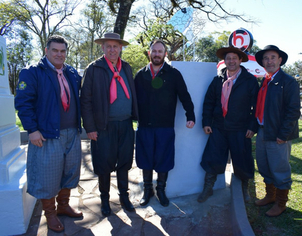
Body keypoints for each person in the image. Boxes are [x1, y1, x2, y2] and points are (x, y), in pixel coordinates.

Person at [15, 35, 83, 232]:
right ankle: (50, 215)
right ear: (46, 51)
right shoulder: (32, 72)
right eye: (55, 50)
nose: (59, 54)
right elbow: (23, 103)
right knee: (48, 177)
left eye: (62, 51)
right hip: (46, 135)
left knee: (69, 173)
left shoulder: (70, 72)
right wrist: (32, 130)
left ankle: (63, 206)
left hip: (72, 133)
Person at [80, 33, 138, 216]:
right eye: (108, 46)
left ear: (121, 48)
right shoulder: (94, 69)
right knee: (104, 164)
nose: (112, 50)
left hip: (126, 124)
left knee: (124, 162)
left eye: (115, 46)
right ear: (103, 48)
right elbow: (85, 100)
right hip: (103, 127)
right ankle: (104, 199)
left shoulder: (126, 68)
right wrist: (90, 127)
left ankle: (124, 197)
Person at [134, 39, 195, 207]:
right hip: (145, 126)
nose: (157, 54)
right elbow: (133, 99)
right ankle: (148, 190)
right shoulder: (140, 75)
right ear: (149, 53)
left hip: (165, 127)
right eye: (154, 51)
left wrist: (191, 115)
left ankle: (161, 190)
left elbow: (185, 96)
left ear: (165, 54)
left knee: (163, 159)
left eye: (160, 51)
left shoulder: (174, 74)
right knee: (145, 159)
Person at [197, 46, 259, 203]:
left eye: (234, 58)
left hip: (240, 128)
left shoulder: (250, 80)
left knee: (243, 159)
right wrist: (206, 122)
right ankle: (208, 188)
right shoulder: (218, 79)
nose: (231, 61)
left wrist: (252, 126)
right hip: (219, 127)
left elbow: (256, 106)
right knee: (213, 158)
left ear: (240, 60)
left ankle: (245, 189)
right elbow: (209, 102)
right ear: (224, 61)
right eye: (228, 58)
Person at [254, 45, 300, 217]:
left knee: (280, 169)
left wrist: (284, 134)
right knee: (264, 165)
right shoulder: (265, 81)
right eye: (266, 58)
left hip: (278, 134)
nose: (269, 61)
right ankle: (270, 196)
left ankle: (281, 203)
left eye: (273, 57)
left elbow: (293, 111)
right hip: (263, 131)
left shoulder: (288, 82)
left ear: (280, 60)